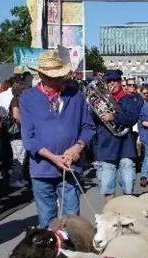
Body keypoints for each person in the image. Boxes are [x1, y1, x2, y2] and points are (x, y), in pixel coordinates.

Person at [20, 50, 95, 228]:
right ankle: (52, 254)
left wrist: (77, 147)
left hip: (71, 166)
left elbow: (88, 127)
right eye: (51, 77)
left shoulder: (76, 95)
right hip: (42, 169)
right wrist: (54, 158)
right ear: (40, 75)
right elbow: (29, 138)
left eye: (59, 76)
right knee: (47, 220)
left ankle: (72, 254)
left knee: (72, 220)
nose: (57, 80)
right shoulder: (28, 98)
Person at [93, 69, 143, 201]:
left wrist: (113, 117)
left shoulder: (128, 99)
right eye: (109, 82)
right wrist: (94, 109)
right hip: (107, 146)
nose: (112, 84)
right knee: (107, 186)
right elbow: (92, 120)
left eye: (115, 81)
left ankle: (126, 214)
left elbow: (133, 118)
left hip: (125, 146)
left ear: (121, 82)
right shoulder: (100, 100)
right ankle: (111, 217)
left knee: (128, 185)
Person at [7, 79, 28, 187]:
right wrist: (26, 125)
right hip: (17, 132)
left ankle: (19, 177)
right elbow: (16, 115)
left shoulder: (17, 99)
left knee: (21, 155)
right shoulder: (16, 100)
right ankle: (14, 179)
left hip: (19, 132)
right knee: (18, 156)